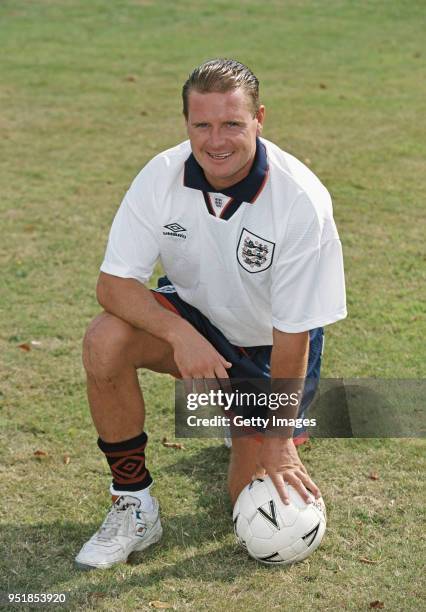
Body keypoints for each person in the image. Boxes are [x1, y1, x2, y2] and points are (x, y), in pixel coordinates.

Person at [75, 59, 347, 570]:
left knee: (244, 498)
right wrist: (180, 334)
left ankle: (255, 423)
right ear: (186, 124)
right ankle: (134, 502)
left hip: (268, 350)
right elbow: (112, 285)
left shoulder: (300, 201)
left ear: (259, 119)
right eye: (202, 125)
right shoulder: (162, 175)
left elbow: (293, 336)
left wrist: (279, 439)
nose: (215, 140)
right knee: (105, 338)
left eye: (232, 124)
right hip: (196, 323)